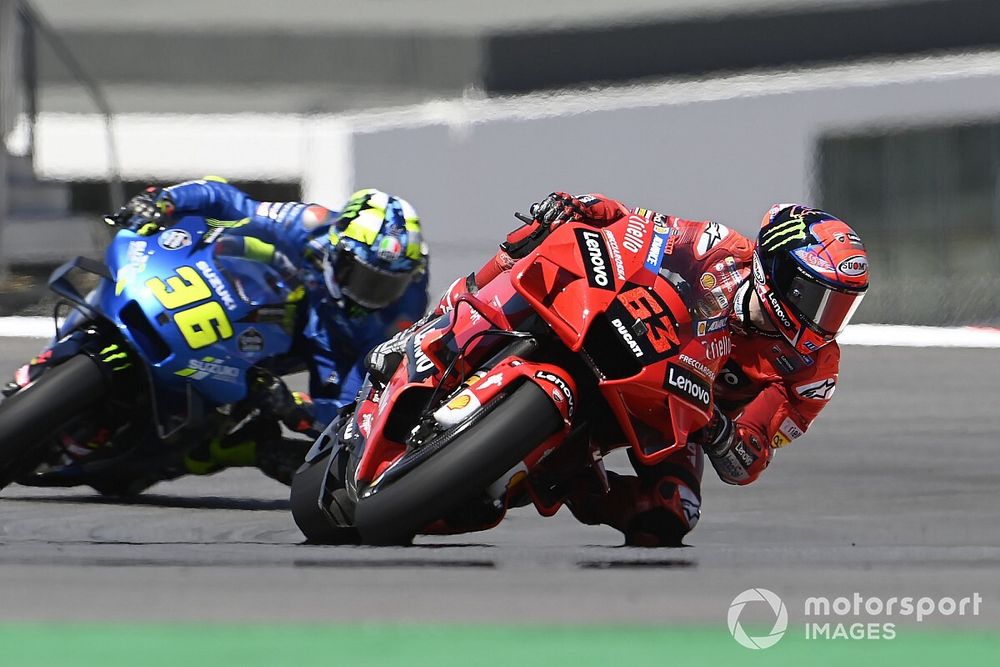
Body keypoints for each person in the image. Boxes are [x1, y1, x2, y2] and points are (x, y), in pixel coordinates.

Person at [429, 192, 868, 546]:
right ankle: (447, 320)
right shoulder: (715, 247)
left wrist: (717, 429)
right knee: (538, 236)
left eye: (842, 307)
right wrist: (585, 207)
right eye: (820, 299)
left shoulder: (814, 372)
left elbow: (748, 462)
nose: (827, 320)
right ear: (777, 272)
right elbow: (638, 224)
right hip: (624, 332)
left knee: (673, 511)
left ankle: (576, 482)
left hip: (672, 415)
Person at [107, 179, 429, 483]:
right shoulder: (310, 224)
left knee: (326, 441)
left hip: (332, 347)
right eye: (363, 278)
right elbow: (229, 200)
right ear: (337, 249)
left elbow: (357, 408)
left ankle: (218, 448)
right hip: (282, 301)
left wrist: (298, 408)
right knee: (231, 238)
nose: (369, 297)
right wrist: (166, 200)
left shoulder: (399, 315)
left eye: (387, 286)